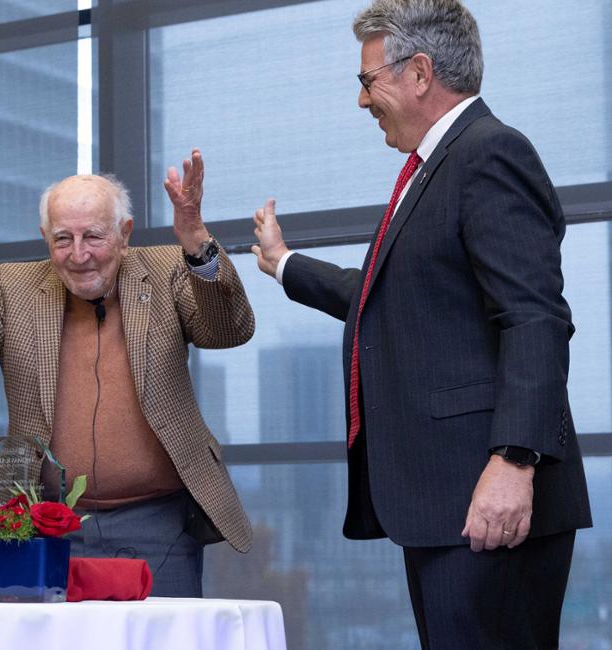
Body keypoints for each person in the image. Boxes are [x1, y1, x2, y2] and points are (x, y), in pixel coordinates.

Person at [250, 0, 592, 646]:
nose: (361, 100)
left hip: (490, 498)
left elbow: (535, 318)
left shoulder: (489, 154)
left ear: (419, 73)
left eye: (366, 80)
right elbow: (388, 298)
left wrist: (514, 460)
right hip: (449, 505)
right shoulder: (435, 168)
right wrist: (284, 263)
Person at [0, 151, 255, 597]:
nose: (79, 255)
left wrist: (196, 242)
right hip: (43, 525)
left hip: (159, 524)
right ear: (45, 237)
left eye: (93, 236)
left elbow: (229, 330)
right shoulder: (14, 288)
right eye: (63, 238)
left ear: (124, 234)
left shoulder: (167, 270)